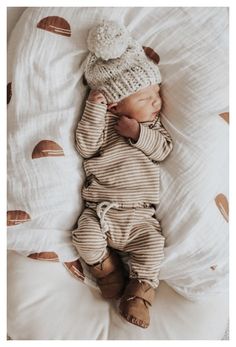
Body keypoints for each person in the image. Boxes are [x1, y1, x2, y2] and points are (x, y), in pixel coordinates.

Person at [72, 20, 173, 329]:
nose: (157, 101)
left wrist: (140, 133)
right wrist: (94, 109)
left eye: (156, 92)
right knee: (84, 237)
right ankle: (108, 272)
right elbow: (85, 146)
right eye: (145, 98)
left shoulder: (152, 128)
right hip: (102, 213)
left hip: (141, 216)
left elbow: (164, 150)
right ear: (114, 106)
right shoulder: (102, 125)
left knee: (153, 247)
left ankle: (140, 293)